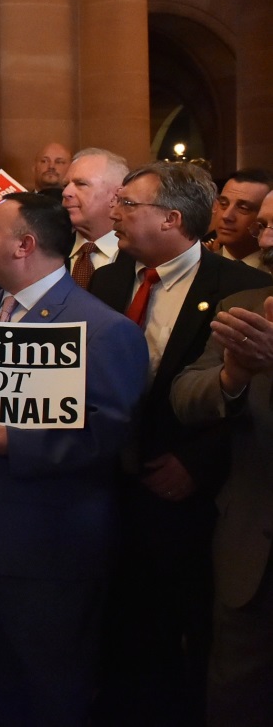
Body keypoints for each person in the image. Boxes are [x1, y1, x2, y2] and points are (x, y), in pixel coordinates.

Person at [0, 192, 148, 727]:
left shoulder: (103, 329)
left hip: (42, 552)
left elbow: (112, 429)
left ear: (24, 244)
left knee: (48, 693)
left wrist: (20, 443)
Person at [87, 161, 272, 725]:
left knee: (190, 635)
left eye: (128, 204)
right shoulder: (113, 277)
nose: (114, 213)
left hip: (191, 495)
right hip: (112, 480)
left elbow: (246, 406)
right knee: (122, 624)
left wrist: (196, 464)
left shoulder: (239, 286)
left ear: (170, 218)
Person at [169, 274, 273, 727]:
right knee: (236, 699)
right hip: (253, 550)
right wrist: (234, 375)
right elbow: (186, 395)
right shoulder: (244, 309)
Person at [62, 147, 127, 287]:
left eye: (81, 184)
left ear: (116, 196)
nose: (66, 192)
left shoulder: (143, 257)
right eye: (65, 184)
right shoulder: (50, 251)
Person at [208, 169, 273, 269]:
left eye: (243, 208)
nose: (226, 216)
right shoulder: (198, 267)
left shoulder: (269, 272)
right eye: (223, 204)